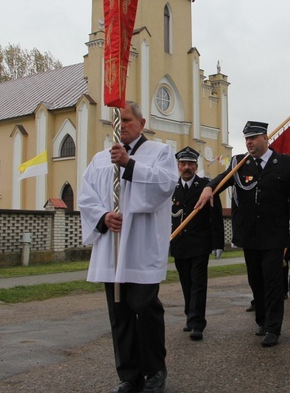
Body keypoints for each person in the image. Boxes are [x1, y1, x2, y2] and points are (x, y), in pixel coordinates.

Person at [79, 101, 177, 393]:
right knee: (119, 312)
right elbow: (86, 197)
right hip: (113, 245)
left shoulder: (160, 152)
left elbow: (165, 185)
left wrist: (128, 164)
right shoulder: (99, 159)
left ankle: (154, 371)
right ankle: (129, 375)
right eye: (118, 121)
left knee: (144, 307)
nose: (123, 125)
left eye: (128, 119)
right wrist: (103, 216)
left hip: (142, 245)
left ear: (142, 122)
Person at [197, 121, 290, 348]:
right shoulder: (239, 163)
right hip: (249, 234)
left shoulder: (285, 164)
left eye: (254, 138)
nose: (249, 142)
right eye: (246, 138)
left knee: (273, 281)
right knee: (255, 280)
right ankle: (262, 320)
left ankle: (273, 328)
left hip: (274, 234)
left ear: (266, 138)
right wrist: (209, 186)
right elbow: (224, 179)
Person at [170, 146, 224, 341]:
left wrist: (218, 244)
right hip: (179, 245)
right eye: (183, 164)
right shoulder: (172, 188)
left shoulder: (206, 186)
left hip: (200, 244)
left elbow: (215, 217)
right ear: (178, 166)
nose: (186, 168)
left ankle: (197, 323)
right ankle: (189, 316)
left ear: (195, 166)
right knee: (186, 282)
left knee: (198, 284)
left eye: (190, 164)